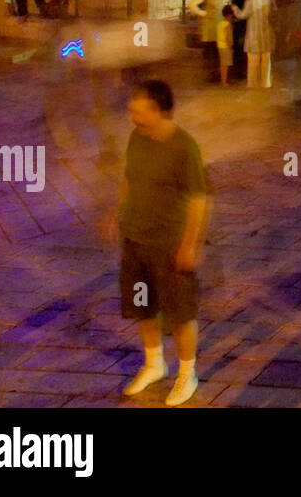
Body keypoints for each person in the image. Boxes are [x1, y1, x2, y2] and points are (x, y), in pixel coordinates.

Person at [102, 80, 210, 407]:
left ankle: (186, 374)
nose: (132, 114)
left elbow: (198, 199)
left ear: (159, 110)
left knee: (179, 314)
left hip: (170, 243)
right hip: (135, 240)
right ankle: (154, 364)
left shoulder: (183, 146)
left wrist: (190, 244)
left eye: (139, 108)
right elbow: (129, 178)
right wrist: (115, 212)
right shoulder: (137, 137)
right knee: (143, 308)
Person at [234, 0, 275, 88]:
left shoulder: (250, 1)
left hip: (253, 35)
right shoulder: (268, 0)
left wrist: (235, 9)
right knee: (266, 61)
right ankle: (266, 83)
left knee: (253, 61)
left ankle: (252, 83)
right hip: (266, 33)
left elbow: (242, 15)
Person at [190, 0, 224, 82]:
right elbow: (192, 5)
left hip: (218, 26)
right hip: (209, 28)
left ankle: (216, 76)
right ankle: (210, 77)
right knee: (210, 53)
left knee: (217, 53)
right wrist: (203, 13)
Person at [216, 6, 234, 86]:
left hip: (220, 46)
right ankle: (224, 81)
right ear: (230, 15)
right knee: (225, 65)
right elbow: (229, 37)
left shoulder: (220, 23)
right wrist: (230, 46)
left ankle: (222, 80)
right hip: (226, 46)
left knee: (222, 64)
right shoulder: (228, 25)